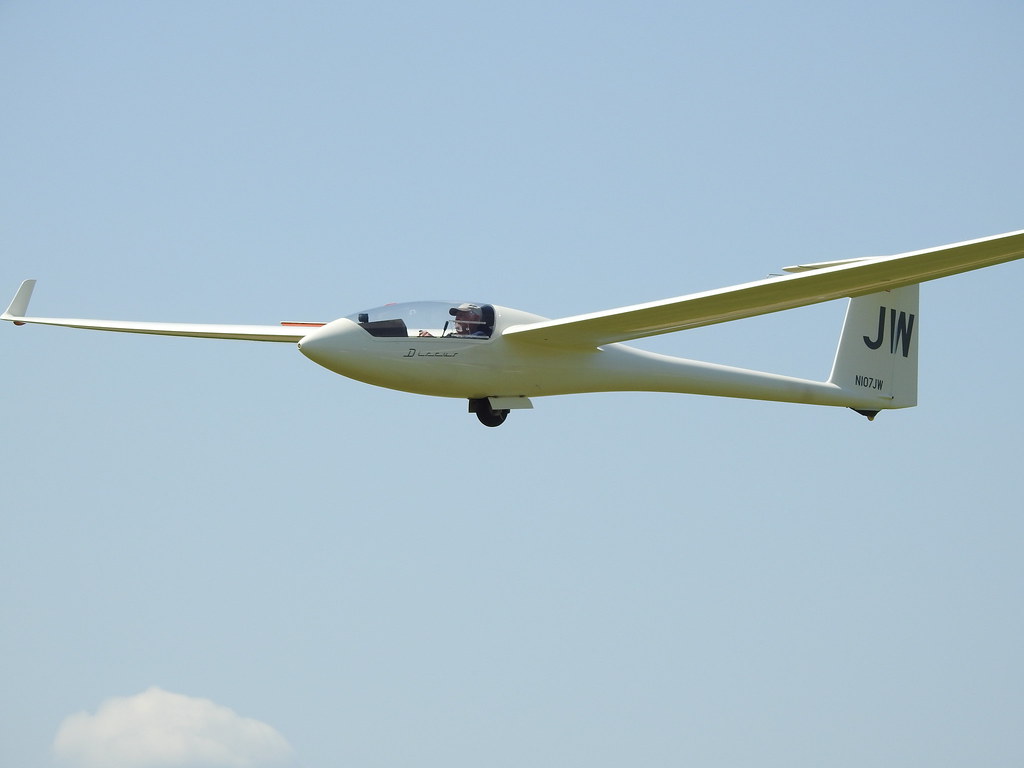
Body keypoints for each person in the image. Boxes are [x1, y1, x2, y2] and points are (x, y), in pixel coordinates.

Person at [417, 303, 491, 338]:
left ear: (476, 318)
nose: (457, 318)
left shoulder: (481, 336)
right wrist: (431, 340)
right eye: (457, 315)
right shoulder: (452, 336)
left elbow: (460, 346)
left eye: (462, 315)